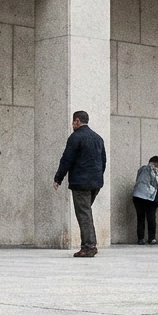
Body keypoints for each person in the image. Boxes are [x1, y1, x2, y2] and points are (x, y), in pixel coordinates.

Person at [53, 110, 107, 257]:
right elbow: (103, 161)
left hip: (80, 183)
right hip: (95, 183)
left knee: (83, 214)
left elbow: (67, 159)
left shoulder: (75, 137)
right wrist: (97, 178)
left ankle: (89, 246)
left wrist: (58, 178)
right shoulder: (98, 138)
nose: (72, 125)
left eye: (73, 122)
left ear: (77, 121)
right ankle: (90, 244)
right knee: (86, 213)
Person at [132, 156, 158, 244]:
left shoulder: (141, 169)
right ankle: (152, 238)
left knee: (140, 218)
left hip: (137, 195)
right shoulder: (154, 170)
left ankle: (141, 239)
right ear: (157, 163)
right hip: (149, 197)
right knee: (151, 218)